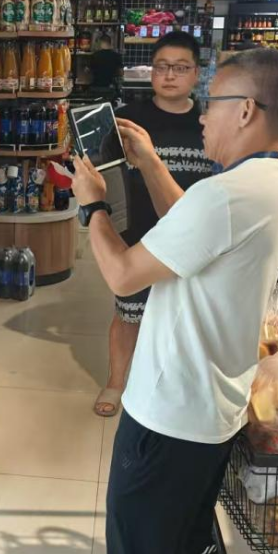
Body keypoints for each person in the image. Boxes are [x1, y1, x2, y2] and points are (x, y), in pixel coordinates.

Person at [69, 48, 278, 554]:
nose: (202, 114)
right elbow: (194, 227)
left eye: (213, 101)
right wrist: (151, 163)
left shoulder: (224, 196)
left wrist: (93, 206)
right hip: (214, 407)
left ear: (245, 110)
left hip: (167, 413)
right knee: (189, 543)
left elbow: (123, 275)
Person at [93, 30, 213, 418]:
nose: (170, 75)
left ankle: (173, 385)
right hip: (141, 233)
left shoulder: (209, 123)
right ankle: (116, 382)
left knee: (185, 318)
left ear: (196, 73)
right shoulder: (128, 119)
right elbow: (108, 171)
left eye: (180, 67)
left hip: (194, 240)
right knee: (129, 313)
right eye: (162, 67)